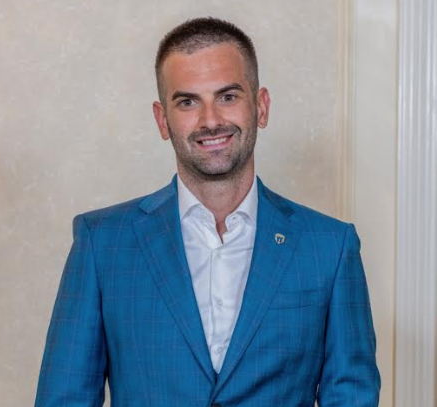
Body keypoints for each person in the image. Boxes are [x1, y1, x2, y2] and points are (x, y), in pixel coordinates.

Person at [34, 17, 380, 407]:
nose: (210, 120)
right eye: (187, 102)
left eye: (228, 96)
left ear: (261, 107)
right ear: (162, 119)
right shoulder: (102, 244)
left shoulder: (330, 247)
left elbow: (351, 397)